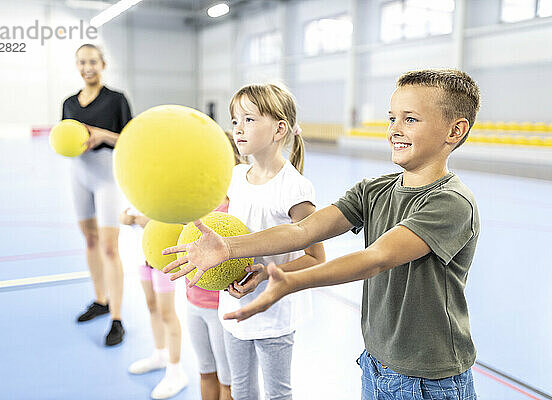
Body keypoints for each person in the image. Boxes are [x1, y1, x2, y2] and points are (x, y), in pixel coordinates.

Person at [163, 69, 481, 399]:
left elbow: (376, 258)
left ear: (454, 131)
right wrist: (228, 247)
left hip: (429, 377)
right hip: (376, 363)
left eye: (410, 119)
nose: (394, 130)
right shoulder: (373, 191)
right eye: (392, 118)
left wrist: (293, 281)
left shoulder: (451, 203)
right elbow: (302, 230)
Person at [175, 83, 325, 400]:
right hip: (233, 304)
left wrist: (265, 276)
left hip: (273, 310)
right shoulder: (235, 178)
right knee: (241, 389)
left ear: (279, 129)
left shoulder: (296, 189)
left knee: (276, 393)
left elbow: (316, 257)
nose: (238, 129)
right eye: (235, 120)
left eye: (249, 119)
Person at [62, 43, 132, 346]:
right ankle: (100, 300)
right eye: (82, 62)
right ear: (77, 66)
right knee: (89, 240)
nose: (87, 67)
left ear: (102, 64)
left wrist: (102, 135)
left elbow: (130, 140)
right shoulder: (68, 102)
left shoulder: (116, 100)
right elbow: (64, 136)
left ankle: (117, 318)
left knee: (109, 248)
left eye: (92, 61)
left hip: (106, 177)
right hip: (78, 174)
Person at [184, 131, 243, 400]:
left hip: (221, 308)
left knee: (228, 383)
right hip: (193, 303)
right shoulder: (193, 204)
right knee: (205, 372)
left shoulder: (236, 208)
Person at [119, 210, 188, 399]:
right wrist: (126, 218)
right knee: (152, 306)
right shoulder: (138, 190)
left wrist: (153, 221)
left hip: (162, 257)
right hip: (142, 254)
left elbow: (181, 219)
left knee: (167, 312)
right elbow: (126, 213)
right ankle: (160, 354)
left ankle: (176, 370)